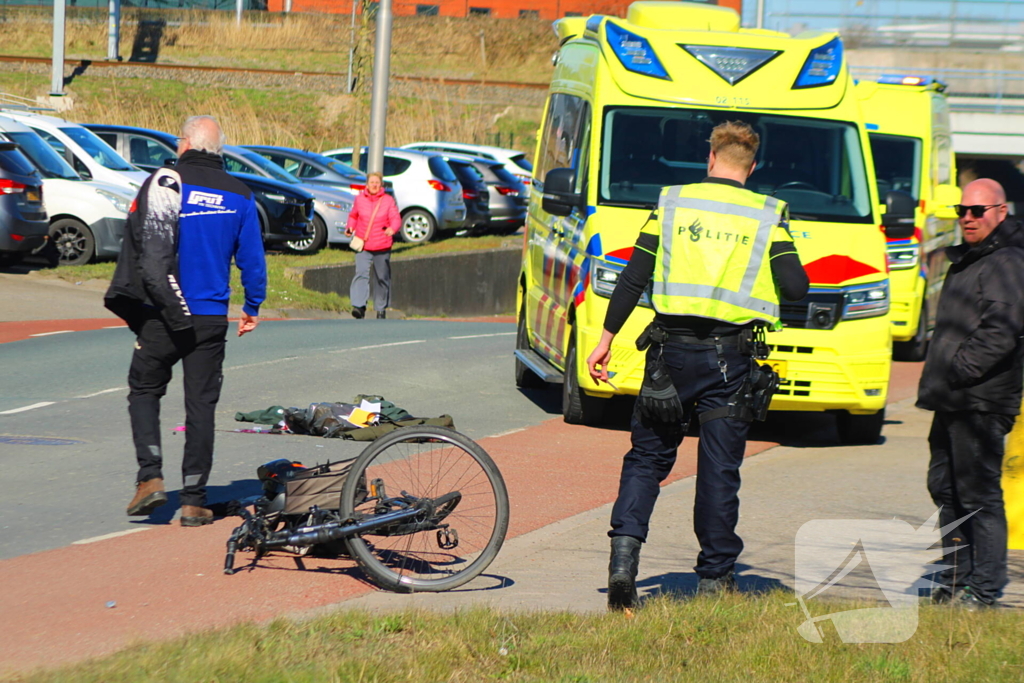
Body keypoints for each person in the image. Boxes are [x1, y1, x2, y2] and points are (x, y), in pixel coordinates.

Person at [586, 121, 809, 610]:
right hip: (729, 362)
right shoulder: (767, 213)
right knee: (718, 469)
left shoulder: (671, 203)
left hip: (668, 358)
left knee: (647, 459)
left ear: (710, 158)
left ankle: (623, 560)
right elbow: (796, 287)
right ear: (752, 166)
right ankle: (714, 579)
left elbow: (633, 278)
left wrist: (605, 341)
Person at [104, 115, 267, 527]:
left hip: (164, 312)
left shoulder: (168, 182)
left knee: (144, 388)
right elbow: (252, 259)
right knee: (201, 406)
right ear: (218, 150)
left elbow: (142, 242)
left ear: (187, 144)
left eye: (178, 140)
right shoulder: (241, 193)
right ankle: (194, 500)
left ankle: (150, 476)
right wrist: (252, 305)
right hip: (210, 317)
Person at [917, 178, 1024, 610]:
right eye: (962, 210)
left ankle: (983, 590)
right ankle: (954, 581)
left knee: (978, 494)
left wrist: (960, 369)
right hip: (953, 397)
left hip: (980, 400)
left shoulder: (1007, 261)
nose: (968, 217)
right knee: (945, 488)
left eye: (977, 211)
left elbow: (1003, 329)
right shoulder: (973, 258)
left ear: (1000, 211)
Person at [345, 171, 401, 319]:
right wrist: (350, 227)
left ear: (381, 184)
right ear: (367, 184)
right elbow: (353, 216)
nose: (374, 185)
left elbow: (395, 218)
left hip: (382, 244)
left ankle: (380, 308)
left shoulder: (388, 200)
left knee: (382, 277)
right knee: (361, 274)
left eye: (377, 182)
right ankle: (359, 306)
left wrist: (392, 229)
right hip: (363, 244)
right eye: (372, 182)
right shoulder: (359, 199)